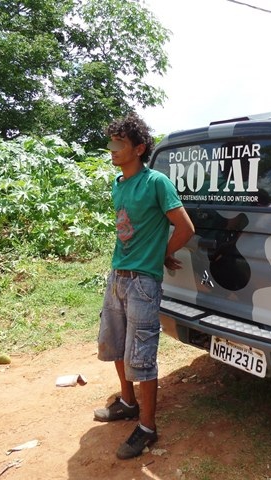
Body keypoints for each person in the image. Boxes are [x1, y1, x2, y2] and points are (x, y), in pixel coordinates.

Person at [93, 112, 194, 460]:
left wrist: (159, 254)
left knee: (142, 356)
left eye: (119, 144)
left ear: (138, 148)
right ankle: (127, 402)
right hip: (117, 276)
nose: (112, 149)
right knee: (116, 346)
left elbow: (185, 228)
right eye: (112, 142)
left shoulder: (156, 183)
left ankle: (148, 428)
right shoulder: (120, 184)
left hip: (143, 285)